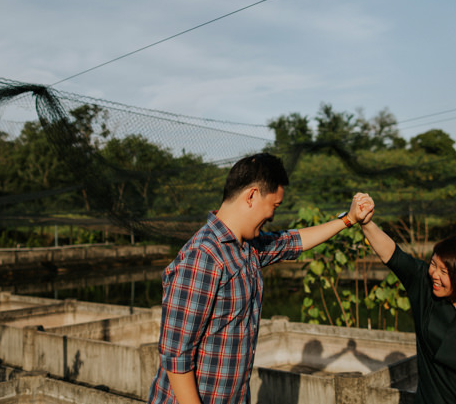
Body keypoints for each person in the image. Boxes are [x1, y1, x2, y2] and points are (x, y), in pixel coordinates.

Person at [147, 152, 373, 404]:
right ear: (252, 195)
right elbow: (176, 355)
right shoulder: (203, 256)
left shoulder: (248, 247)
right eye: (274, 206)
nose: (273, 216)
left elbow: (294, 241)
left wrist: (349, 219)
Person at [351, 197, 456, 404]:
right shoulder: (426, 287)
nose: (434, 274)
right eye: (433, 264)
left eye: (444, 271)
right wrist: (365, 222)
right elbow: (394, 256)